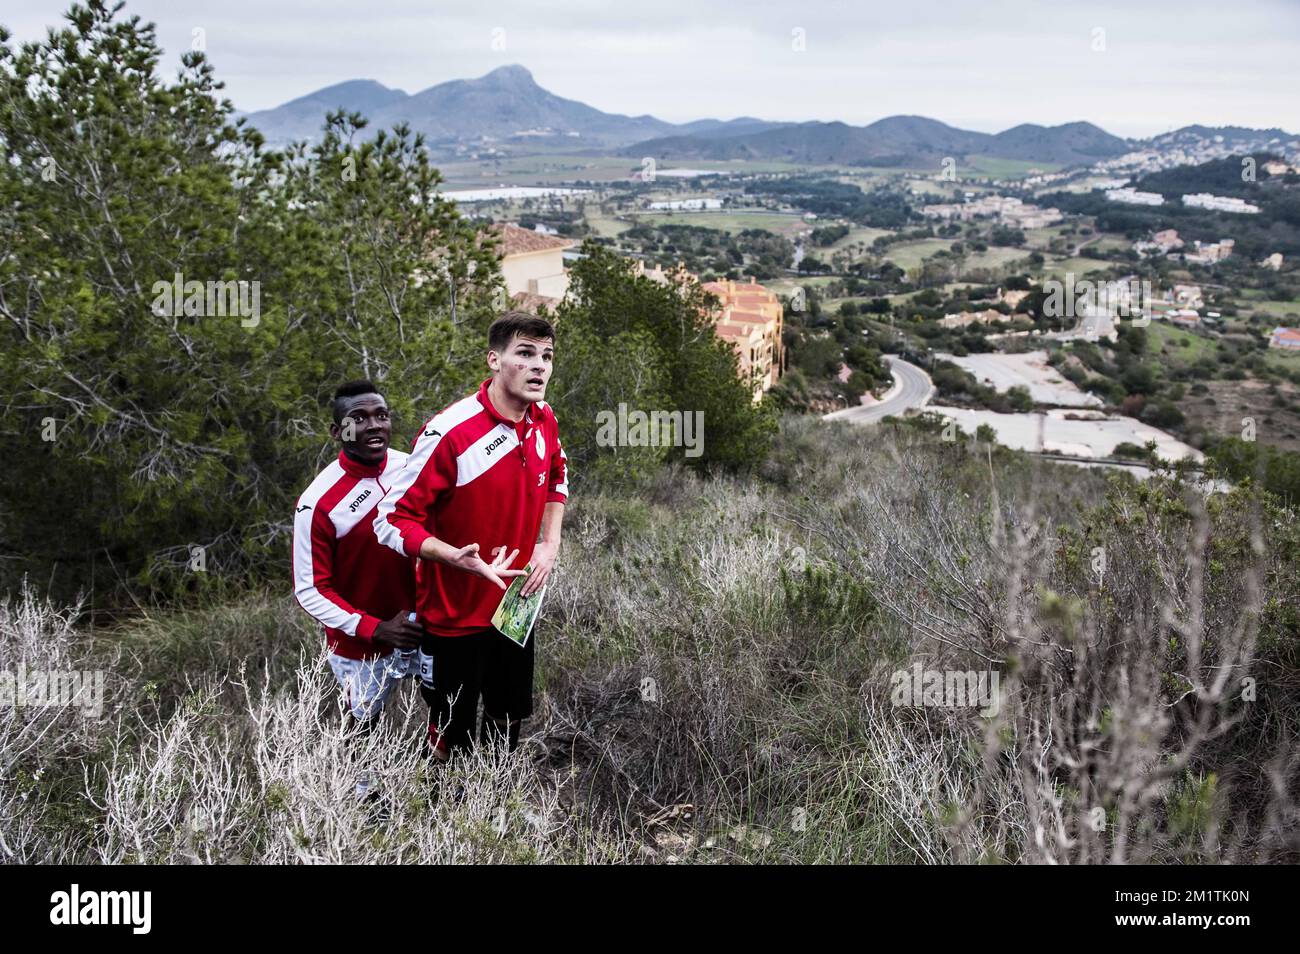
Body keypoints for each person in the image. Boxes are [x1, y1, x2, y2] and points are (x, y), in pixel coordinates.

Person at [374, 311, 568, 761]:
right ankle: (441, 823)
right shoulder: (451, 433)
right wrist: (452, 557)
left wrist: (549, 542)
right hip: (453, 617)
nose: (539, 366)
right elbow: (390, 519)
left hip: (516, 605)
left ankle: (492, 817)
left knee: (506, 723)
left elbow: (558, 471)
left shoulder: (544, 419)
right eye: (525, 354)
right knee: (450, 737)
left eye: (547, 356)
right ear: (494, 360)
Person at [292, 379, 424, 793]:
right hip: (361, 644)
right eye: (358, 418)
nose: (373, 426)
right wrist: (374, 627)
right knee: (363, 727)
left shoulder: (412, 467)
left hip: (427, 626)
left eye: (381, 416)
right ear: (337, 432)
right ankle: (368, 805)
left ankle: (445, 789)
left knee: (448, 709)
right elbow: (310, 589)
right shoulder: (317, 503)